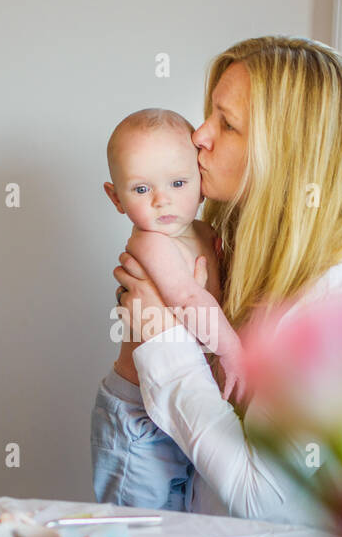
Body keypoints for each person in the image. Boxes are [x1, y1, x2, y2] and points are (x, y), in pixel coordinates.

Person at [104, 35, 342, 526]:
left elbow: (262, 497)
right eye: (208, 115)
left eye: (227, 123)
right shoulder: (249, 255)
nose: (199, 135)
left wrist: (163, 342)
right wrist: (138, 358)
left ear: (288, 157)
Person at [89, 108, 242, 511]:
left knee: (182, 524)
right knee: (137, 529)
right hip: (137, 416)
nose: (162, 200)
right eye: (141, 190)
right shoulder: (151, 242)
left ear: (201, 182)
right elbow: (191, 300)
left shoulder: (208, 233)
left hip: (180, 401)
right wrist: (233, 349)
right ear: (116, 197)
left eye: (178, 182)